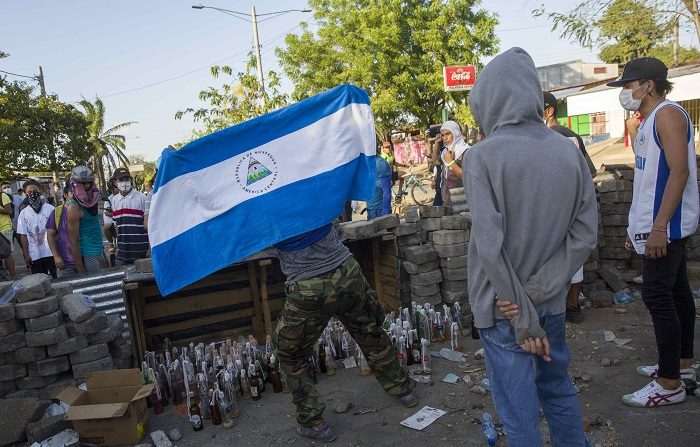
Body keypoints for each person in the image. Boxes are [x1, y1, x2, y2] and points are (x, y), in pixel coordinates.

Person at [465, 47, 598, 446]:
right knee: (557, 390)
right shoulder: (567, 151)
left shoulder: (481, 157)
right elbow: (584, 234)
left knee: (518, 410)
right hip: (552, 303)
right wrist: (540, 294)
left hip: (503, 309)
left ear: (488, 100)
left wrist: (521, 310)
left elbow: (490, 246)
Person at [606, 57, 699, 407]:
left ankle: (669, 382)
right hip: (656, 226)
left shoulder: (669, 114)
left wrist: (659, 227)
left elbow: (678, 173)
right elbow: (647, 181)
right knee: (676, 294)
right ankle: (682, 364)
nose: (625, 92)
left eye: (629, 86)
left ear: (648, 85)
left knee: (658, 298)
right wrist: (637, 226)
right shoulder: (648, 121)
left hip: (667, 227)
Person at [274, 224, 417, 442]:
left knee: (291, 355)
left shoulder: (264, 205)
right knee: (370, 333)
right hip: (347, 270)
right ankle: (403, 390)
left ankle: (314, 423)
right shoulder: (307, 190)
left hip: (307, 286)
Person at [543, 91, 597, 323]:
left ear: (548, 111)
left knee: (552, 257)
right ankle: (573, 306)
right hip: (575, 205)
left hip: (553, 208)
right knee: (574, 256)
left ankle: (556, 307)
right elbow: (590, 172)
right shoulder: (573, 136)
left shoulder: (547, 137)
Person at [66, 166, 104, 274]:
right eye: (81, 184)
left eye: (87, 183)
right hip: (88, 255)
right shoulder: (74, 208)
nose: (85, 187)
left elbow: (95, 229)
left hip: (98, 251)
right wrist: (81, 270)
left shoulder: (92, 202)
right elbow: (73, 241)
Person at [17, 179, 57, 278]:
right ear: (25, 194)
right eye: (29, 192)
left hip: (51, 253)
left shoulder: (51, 209)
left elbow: (58, 232)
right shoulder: (23, 213)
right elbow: (23, 236)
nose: (32, 194)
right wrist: (26, 255)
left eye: (35, 191)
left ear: (40, 192)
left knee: (57, 280)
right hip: (35, 256)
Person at [110, 168, 149, 265]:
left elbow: (150, 225)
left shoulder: (142, 198)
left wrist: (150, 248)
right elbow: (117, 227)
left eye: (127, 179)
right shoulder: (114, 200)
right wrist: (116, 248)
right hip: (123, 254)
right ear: (115, 182)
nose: (124, 182)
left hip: (142, 253)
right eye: (121, 180)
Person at [434, 120, 468, 206]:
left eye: (448, 133)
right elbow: (435, 161)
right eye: (443, 135)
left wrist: (451, 162)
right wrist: (437, 144)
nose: (445, 138)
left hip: (463, 201)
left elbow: (466, 176)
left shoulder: (466, 152)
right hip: (447, 200)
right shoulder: (446, 152)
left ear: (455, 133)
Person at [46, 185, 76, 277]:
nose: (75, 195)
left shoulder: (84, 210)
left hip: (86, 259)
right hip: (66, 263)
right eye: (72, 192)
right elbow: (50, 235)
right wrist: (56, 256)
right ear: (65, 194)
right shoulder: (57, 212)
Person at [365, 147, 393, 219]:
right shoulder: (367, 163)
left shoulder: (380, 164)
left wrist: (386, 213)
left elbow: (387, 191)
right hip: (371, 210)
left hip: (379, 211)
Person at [0, 181, 17, 279]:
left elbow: (9, 211)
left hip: (5, 227)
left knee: (7, 252)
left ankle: (13, 278)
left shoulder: (3, 196)